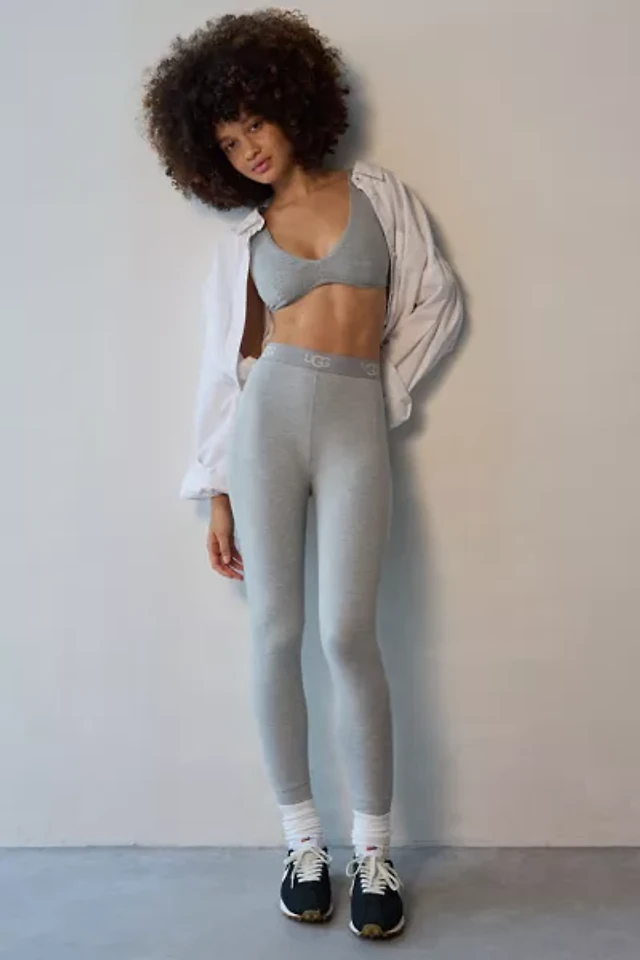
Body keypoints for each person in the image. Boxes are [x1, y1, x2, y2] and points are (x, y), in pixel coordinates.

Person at [142, 8, 462, 941]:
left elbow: (435, 300)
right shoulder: (243, 242)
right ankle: (301, 844)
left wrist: (381, 395)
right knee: (275, 633)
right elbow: (225, 371)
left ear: (292, 105)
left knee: (348, 634)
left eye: (255, 122)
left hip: (356, 424)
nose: (247, 147)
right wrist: (217, 493)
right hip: (266, 428)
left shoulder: (379, 194)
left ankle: (374, 851)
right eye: (227, 140)